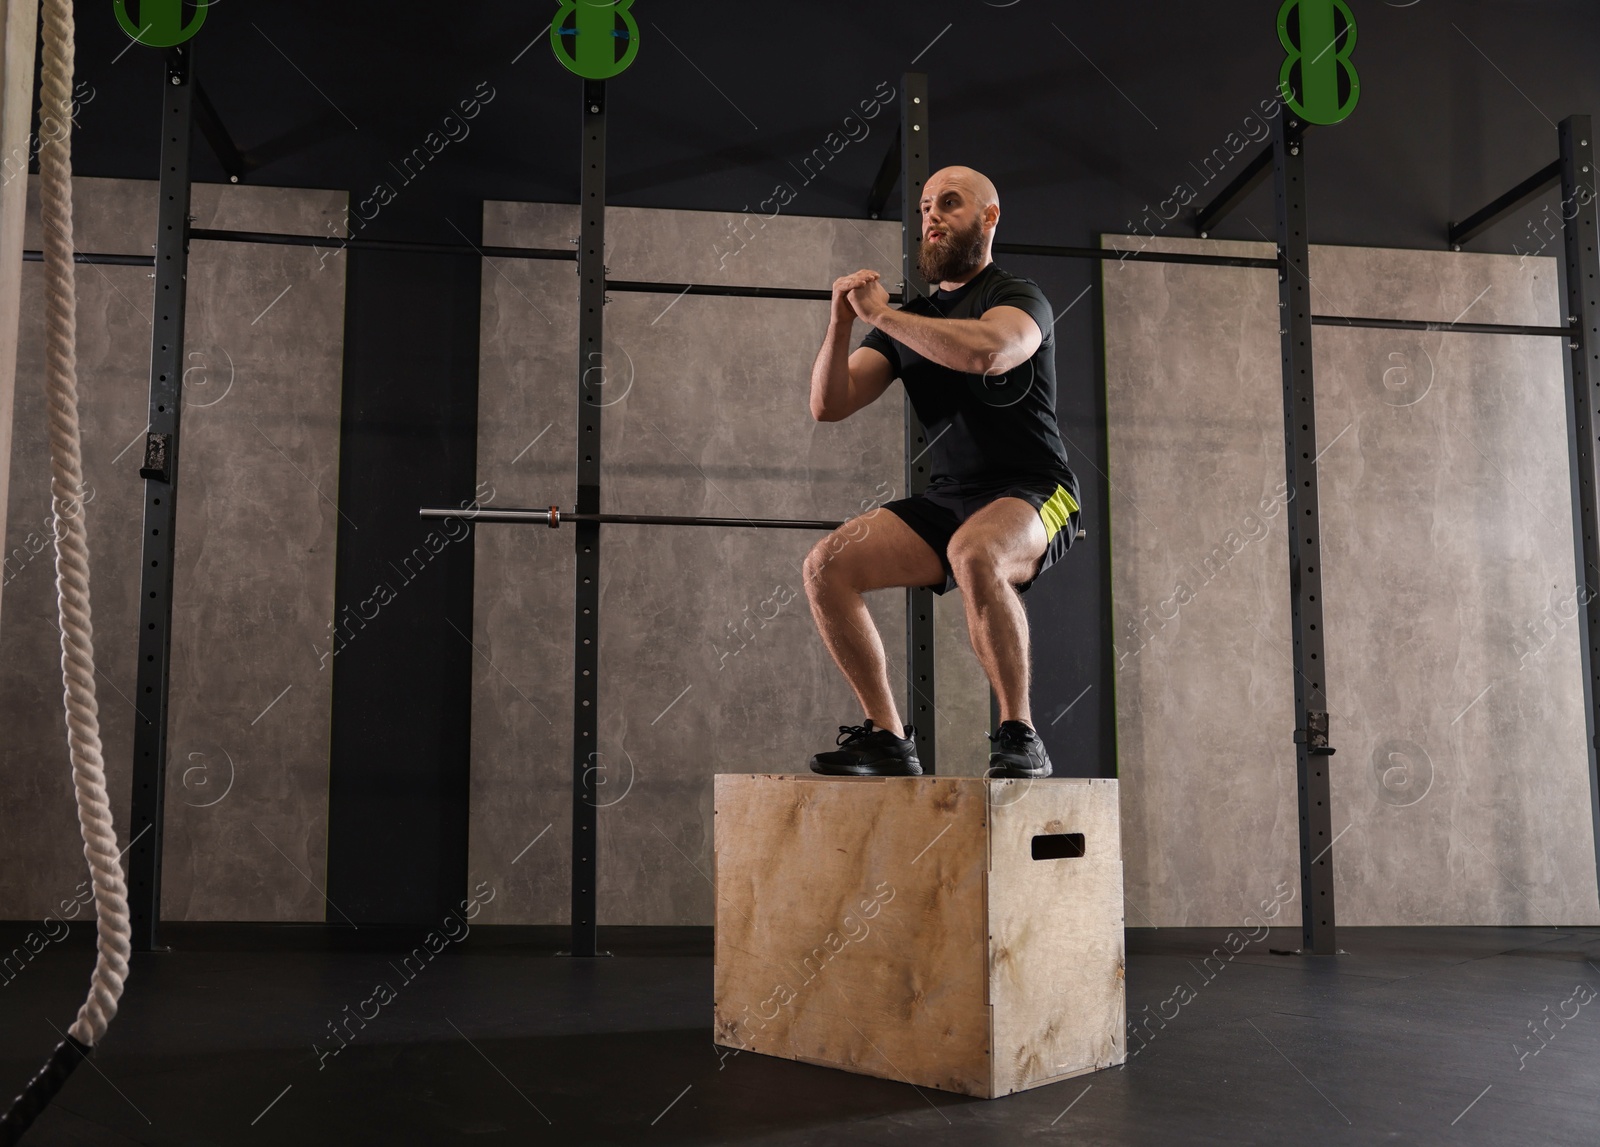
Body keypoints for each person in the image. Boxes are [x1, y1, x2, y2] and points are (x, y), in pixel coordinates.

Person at [803, 165, 1080, 779]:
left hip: (1041, 491)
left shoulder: (1017, 296)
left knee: (975, 551)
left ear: (989, 217)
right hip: (954, 495)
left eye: (949, 204)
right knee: (828, 565)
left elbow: (988, 351)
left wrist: (884, 315)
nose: (930, 217)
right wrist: (842, 323)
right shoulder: (911, 321)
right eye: (925, 206)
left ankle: (1020, 733)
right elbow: (829, 404)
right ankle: (887, 737)